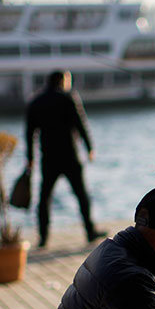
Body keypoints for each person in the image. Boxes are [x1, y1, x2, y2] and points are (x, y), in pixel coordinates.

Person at [25, 70, 105, 248]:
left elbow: (29, 133)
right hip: (70, 156)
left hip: (48, 158)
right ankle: (90, 231)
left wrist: (30, 158)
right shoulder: (68, 98)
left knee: (44, 198)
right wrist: (90, 148)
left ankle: (43, 236)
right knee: (81, 195)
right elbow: (80, 124)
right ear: (62, 81)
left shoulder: (36, 102)